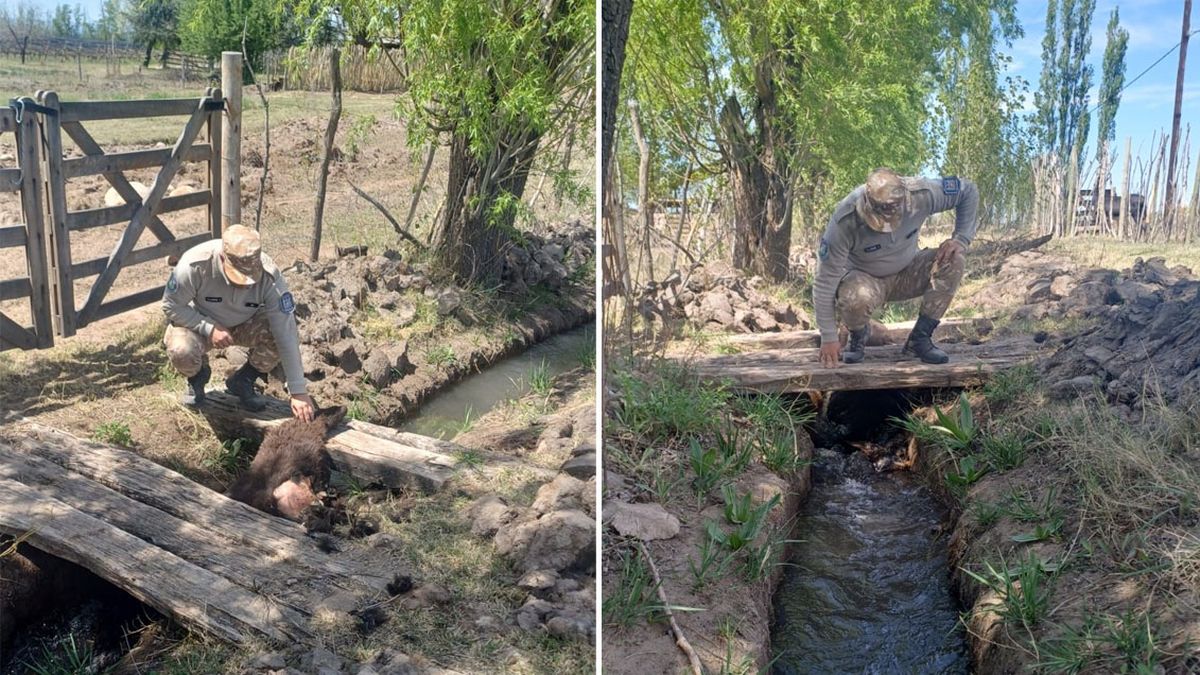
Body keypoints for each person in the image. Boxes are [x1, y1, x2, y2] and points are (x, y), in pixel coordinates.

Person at [812, 167, 978, 368]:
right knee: (855, 296)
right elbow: (824, 281)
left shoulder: (921, 194)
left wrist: (961, 239)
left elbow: (968, 190)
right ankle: (858, 334)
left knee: (954, 260)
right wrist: (829, 338)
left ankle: (920, 339)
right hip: (865, 281)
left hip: (908, 272)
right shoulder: (845, 219)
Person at [161, 224, 315, 422]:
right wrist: (209, 328)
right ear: (223, 258)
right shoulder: (194, 265)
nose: (244, 284)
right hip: (200, 322)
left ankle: (243, 380)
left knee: (278, 335)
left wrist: (298, 390)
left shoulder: (270, 276)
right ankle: (198, 377)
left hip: (245, 323)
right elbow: (171, 306)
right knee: (181, 350)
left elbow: (286, 330)